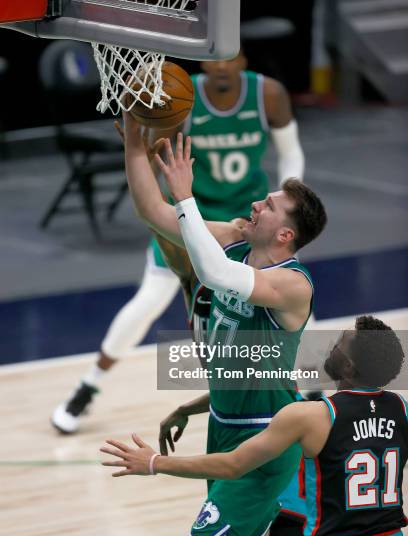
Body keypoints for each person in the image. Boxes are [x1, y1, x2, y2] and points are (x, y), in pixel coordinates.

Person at [101, 118, 327, 536]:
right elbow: (154, 213)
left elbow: (214, 274)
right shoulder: (234, 240)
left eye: (272, 204)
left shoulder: (293, 286)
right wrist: (132, 143)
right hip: (224, 425)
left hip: (266, 436)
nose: (258, 202)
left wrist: (186, 195)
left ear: (286, 235)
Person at [51, 50, 306, 434]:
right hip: (191, 214)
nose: (220, 66)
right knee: (148, 302)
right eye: (214, 60)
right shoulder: (182, 97)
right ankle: (88, 385)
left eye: (229, 60)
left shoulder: (267, 94)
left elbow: (291, 155)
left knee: (293, 306)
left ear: (243, 62)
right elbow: (155, 189)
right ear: (205, 62)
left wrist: (283, 206)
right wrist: (138, 149)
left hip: (246, 222)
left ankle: (313, 394)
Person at [101, 316, 407, 536]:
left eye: (340, 343)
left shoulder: (309, 416)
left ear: (349, 367)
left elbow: (234, 465)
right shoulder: (402, 410)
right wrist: (187, 408)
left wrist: (155, 462)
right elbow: (264, 386)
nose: (331, 346)